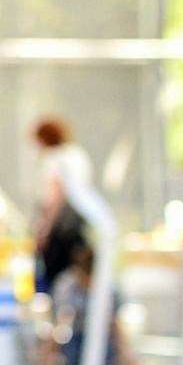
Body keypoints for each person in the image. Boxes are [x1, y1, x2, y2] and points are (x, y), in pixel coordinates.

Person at [31, 116, 112, 296]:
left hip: (61, 226)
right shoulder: (76, 154)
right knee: (77, 268)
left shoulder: (53, 159)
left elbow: (54, 195)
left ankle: (57, 306)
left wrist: (44, 228)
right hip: (79, 221)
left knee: (53, 271)